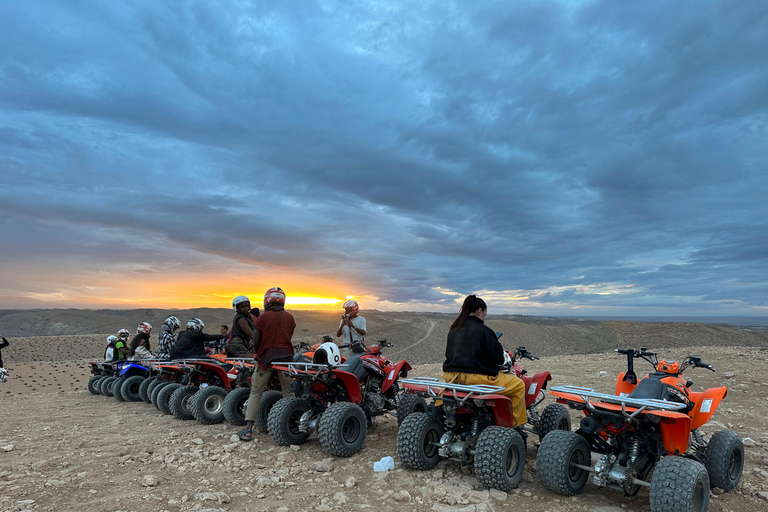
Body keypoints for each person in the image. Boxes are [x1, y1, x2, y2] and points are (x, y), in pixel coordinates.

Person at [442, 295, 527, 429]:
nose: (484, 318)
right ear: (479, 311)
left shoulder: (454, 329)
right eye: (485, 314)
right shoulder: (484, 331)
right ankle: (513, 427)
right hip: (476, 379)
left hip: (452, 378)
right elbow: (498, 358)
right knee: (518, 385)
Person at [237, 287, 294, 441]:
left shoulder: (262, 318)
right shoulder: (290, 318)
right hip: (286, 359)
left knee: (256, 392)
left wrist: (258, 350)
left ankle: (248, 430)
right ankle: (290, 427)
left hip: (266, 359)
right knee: (288, 393)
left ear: (267, 300)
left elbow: (256, 341)